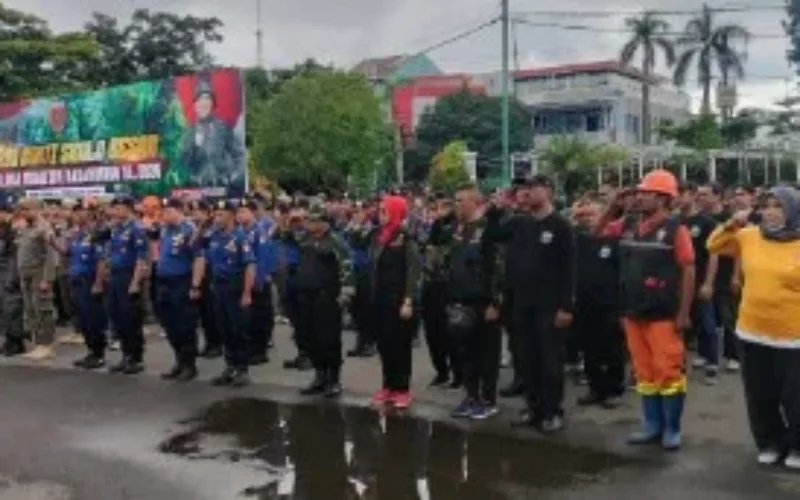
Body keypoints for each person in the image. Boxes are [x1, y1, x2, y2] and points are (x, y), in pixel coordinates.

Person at [601, 169, 695, 450]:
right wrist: (614, 204)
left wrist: (683, 313)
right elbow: (597, 230)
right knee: (644, 371)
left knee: (668, 370)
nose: (639, 197)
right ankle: (652, 424)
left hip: (663, 313)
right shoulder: (628, 223)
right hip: (632, 311)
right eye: (639, 192)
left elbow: (688, 270)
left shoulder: (676, 229)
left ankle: (672, 428)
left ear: (664, 199)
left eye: (646, 193)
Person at [707, 186, 800, 470]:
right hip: (752, 330)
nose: (770, 212)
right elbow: (714, 245)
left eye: (778, 206)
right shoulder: (749, 237)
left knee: (794, 395)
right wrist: (734, 220)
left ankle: (797, 445)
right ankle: (770, 442)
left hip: (792, 336)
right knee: (760, 394)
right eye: (766, 205)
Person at [495, 175, 576, 433]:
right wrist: (499, 208)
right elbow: (493, 235)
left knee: (550, 361)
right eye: (525, 189)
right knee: (527, 359)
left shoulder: (561, 226)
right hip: (522, 303)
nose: (527, 193)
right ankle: (534, 407)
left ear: (548, 191)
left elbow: (570, 269)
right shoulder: (520, 223)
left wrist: (566, 306)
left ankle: (553, 411)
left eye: (534, 188)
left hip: (550, 306)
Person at [446, 183, 503, 420]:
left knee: (487, 353)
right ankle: (471, 396)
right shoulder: (458, 229)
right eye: (456, 200)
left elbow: (499, 267)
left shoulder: (489, 229)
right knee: (466, 353)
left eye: (461, 200)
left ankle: (488, 400)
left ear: (475, 202)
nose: (457, 204)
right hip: (461, 301)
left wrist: (496, 302)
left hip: (484, 302)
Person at [293, 202, 352, 398]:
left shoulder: (335, 241)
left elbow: (347, 267)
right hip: (306, 296)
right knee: (310, 338)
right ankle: (319, 376)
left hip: (327, 297)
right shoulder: (305, 239)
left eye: (314, 220)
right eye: (308, 220)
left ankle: (333, 380)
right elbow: (283, 235)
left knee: (329, 339)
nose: (309, 224)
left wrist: (346, 293)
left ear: (324, 222)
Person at [572, 198, 625, 408]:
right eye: (583, 216)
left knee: (612, 348)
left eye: (591, 214)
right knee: (589, 348)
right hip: (584, 302)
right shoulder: (579, 239)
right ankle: (595, 388)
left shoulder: (615, 241)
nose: (588, 219)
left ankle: (614, 389)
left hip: (610, 303)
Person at [369, 195, 420, 409]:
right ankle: (387, 385)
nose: (380, 215)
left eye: (385, 211)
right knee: (384, 344)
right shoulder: (379, 236)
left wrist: (408, 300)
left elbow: (412, 270)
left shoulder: (406, 237)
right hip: (380, 298)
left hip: (398, 298)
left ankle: (402, 388)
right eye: (380, 211)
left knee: (400, 344)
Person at [203, 200, 256, 387]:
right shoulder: (215, 236)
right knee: (223, 328)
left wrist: (247, 292)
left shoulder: (241, 236)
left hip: (235, 285)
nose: (217, 218)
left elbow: (250, 265)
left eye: (221, 214)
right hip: (218, 286)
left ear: (232, 216)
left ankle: (242, 369)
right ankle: (230, 365)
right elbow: (207, 259)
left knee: (237, 329)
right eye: (215, 214)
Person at [52, 203, 107, 369]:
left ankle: (98, 354)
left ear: (88, 215)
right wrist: (53, 243)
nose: (75, 216)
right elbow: (67, 252)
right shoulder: (77, 235)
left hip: (89, 280)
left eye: (79, 213)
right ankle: (91, 351)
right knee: (83, 320)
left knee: (93, 319)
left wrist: (98, 283)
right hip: (75, 280)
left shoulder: (95, 235)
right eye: (74, 213)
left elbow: (101, 261)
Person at [155, 198, 205, 382]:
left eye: (168, 211)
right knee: (170, 324)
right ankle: (178, 361)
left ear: (178, 211)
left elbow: (198, 259)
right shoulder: (164, 229)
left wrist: (195, 285)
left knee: (185, 325)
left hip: (182, 281)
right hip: (164, 282)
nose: (164, 215)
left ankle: (189, 365)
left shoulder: (189, 230)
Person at [421, 194, 461, 388]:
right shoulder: (437, 225)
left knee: (450, 333)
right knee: (432, 332)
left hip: (449, 286)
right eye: (438, 206)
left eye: (445, 206)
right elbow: (429, 245)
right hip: (431, 284)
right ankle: (441, 371)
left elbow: (447, 247)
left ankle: (458, 373)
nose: (440, 209)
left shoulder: (458, 226)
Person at [105, 197, 149, 374]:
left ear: (128, 209)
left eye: (119, 208)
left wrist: (135, 282)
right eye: (114, 208)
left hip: (129, 275)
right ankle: (125, 355)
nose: (115, 212)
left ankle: (136, 358)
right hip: (116, 276)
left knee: (131, 318)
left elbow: (141, 257)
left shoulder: (136, 228)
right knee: (118, 317)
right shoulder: (116, 228)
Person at [16, 198, 58, 361]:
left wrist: (47, 279)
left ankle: (47, 345)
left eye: (26, 209)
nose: (23, 212)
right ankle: (38, 344)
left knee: (43, 308)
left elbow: (50, 255)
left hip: (39, 273)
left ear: (36, 209)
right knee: (31, 309)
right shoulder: (25, 227)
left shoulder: (44, 228)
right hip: (25, 273)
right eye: (22, 209)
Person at [237, 198, 277, 366]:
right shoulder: (240, 232)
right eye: (238, 212)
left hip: (258, 280)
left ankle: (260, 351)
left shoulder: (259, 231)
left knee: (260, 316)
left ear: (252, 213)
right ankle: (250, 348)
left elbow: (263, 257)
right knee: (248, 318)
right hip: (244, 279)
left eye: (243, 211)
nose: (239, 215)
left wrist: (259, 279)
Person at [0, 201, 23, 357]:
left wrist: (12, 277)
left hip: (10, 275)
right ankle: (9, 339)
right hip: (2, 274)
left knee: (12, 309)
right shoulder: (2, 231)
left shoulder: (14, 231)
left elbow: (16, 257)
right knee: (4, 310)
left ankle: (16, 342)